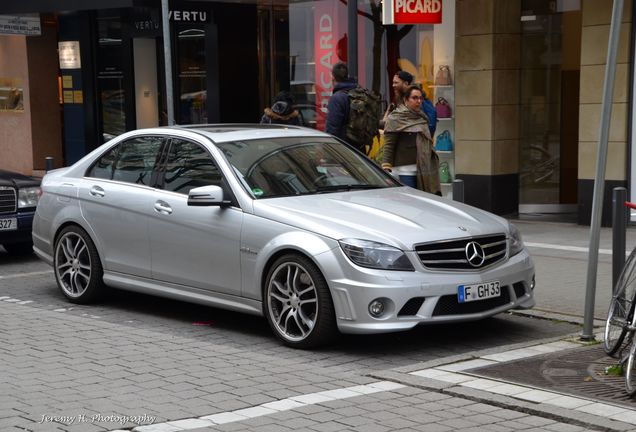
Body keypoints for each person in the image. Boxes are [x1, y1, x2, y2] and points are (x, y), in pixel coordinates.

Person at [382, 85, 441, 196]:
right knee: (410, 202)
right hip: (403, 170)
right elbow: (389, 145)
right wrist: (386, 168)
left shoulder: (422, 117)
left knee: (423, 203)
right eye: (414, 98)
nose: (418, 101)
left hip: (422, 170)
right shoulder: (395, 118)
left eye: (420, 98)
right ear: (406, 100)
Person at [383, 71, 437, 137]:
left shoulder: (418, 102)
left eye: (396, 83)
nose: (393, 85)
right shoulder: (398, 99)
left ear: (406, 83)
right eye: (393, 82)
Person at [325, 62, 357, 144]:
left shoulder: (337, 98)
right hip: (360, 148)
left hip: (345, 149)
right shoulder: (358, 92)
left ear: (333, 77)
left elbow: (332, 129)